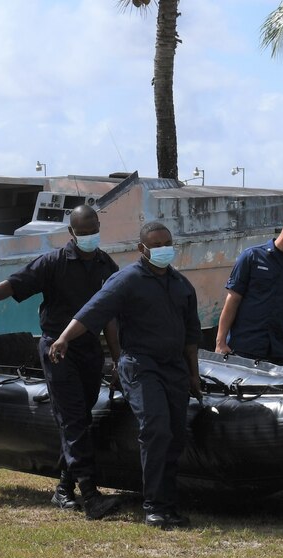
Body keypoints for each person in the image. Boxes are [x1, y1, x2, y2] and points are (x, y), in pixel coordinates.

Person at [0, 205, 122, 520]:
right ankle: (90, 495)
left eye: (94, 229)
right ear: (71, 233)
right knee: (73, 417)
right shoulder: (53, 263)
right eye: (84, 231)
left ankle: (64, 488)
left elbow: (110, 318)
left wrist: (118, 360)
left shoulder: (108, 266)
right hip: (57, 350)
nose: (90, 236)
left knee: (82, 415)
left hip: (90, 350)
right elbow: (14, 284)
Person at [49, 221, 202, 529]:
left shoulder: (182, 285)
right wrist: (64, 337)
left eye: (167, 243)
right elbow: (92, 311)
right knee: (156, 428)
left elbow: (191, 337)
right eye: (156, 245)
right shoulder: (127, 280)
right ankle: (155, 506)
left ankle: (169, 504)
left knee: (175, 433)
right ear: (141, 249)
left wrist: (193, 375)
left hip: (173, 367)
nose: (163, 250)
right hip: (141, 365)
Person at [215, 212, 283, 368]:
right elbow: (233, 299)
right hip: (245, 349)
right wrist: (220, 342)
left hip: (281, 352)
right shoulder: (252, 257)